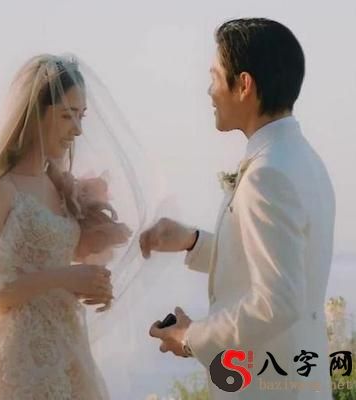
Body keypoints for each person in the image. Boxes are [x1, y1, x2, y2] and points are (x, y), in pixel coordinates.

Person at [0, 54, 154, 400]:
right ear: (35, 113)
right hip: (14, 365)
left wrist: (90, 285)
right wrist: (64, 278)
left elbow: (57, 261)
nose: (78, 129)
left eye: (81, 116)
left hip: (67, 352)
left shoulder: (57, 184)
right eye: (67, 115)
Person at [141, 18, 336, 399]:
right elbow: (281, 258)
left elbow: (278, 302)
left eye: (215, 77)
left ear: (244, 85)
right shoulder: (302, 158)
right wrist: (192, 242)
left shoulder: (267, 174)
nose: (210, 91)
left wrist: (191, 337)